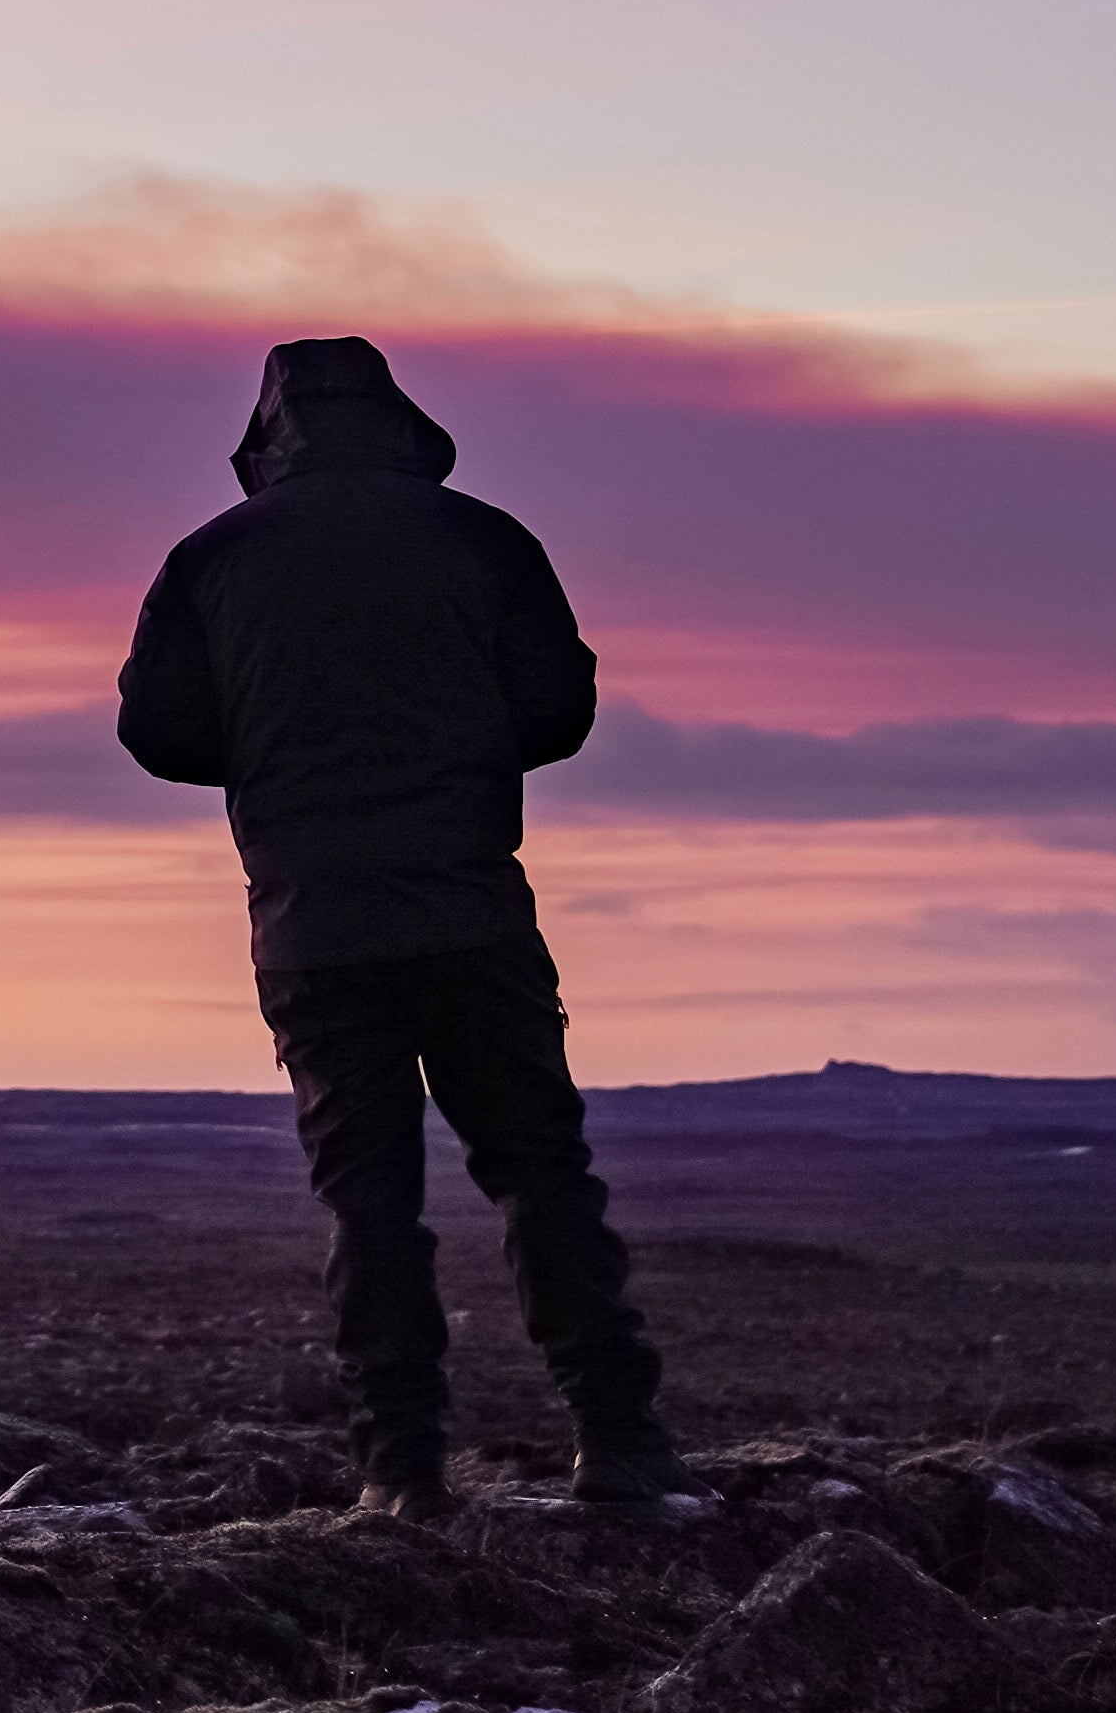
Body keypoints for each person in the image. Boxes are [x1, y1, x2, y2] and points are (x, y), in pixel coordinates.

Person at [122, 334, 693, 1518]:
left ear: (269, 432)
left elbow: (159, 732)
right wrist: (451, 742)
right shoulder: (485, 540)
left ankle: (401, 1470)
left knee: (369, 1204)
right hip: (469, 907)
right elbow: (560, 707)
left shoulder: (212, 561)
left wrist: (283, 744)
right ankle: (621, 1446)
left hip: (313, 926)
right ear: (397, 421)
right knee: (543, 1174)